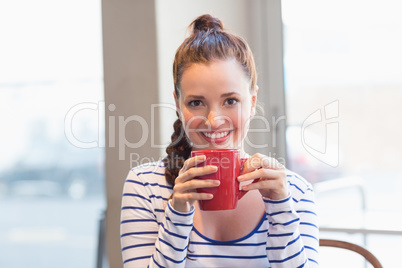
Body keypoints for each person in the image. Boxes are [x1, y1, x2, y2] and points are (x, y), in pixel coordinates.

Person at [120, 14, 319, 267]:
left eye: (230, 101)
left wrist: (280, 208)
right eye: (196, 103)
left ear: (253, 102)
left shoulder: (295, 192)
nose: (214, 121)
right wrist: (178, 213)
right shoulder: (146, 187)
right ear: (178, 105)